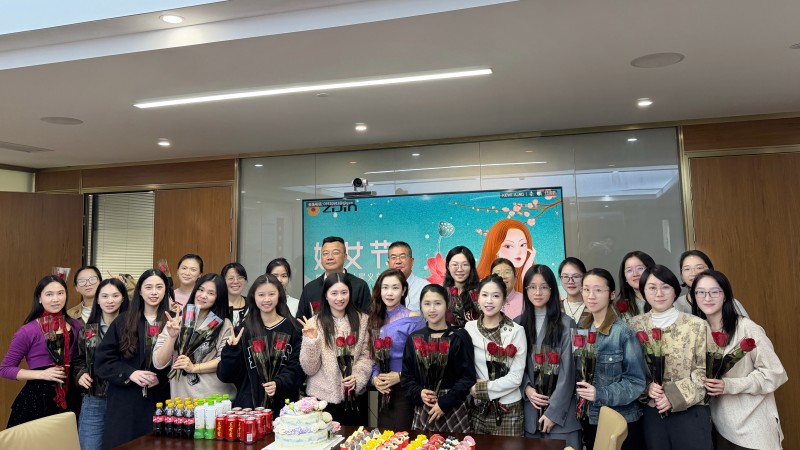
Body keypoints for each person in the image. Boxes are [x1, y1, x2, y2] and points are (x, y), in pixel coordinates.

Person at [692, 270, 786, 450]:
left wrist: (729, 385)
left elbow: (775, 373)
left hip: (754, 426)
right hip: (720, 427)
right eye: (700, 292)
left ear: (725, 295)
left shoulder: (746, 328)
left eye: (714, 291)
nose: (707, 297)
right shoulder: (697, 332)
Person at [629, 265, 712, 450]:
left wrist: (673, 397)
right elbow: (629, 369)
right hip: (652, 411)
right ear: (643, 291)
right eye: (652, 287)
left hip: (691, 411)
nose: (659, 293)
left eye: (665, 287)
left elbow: (705, 371)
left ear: (675, 291)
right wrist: (646, 387)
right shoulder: (633, 326)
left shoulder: (696, 325)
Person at [94, 269, 171, 449]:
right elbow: (103, 361)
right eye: (148, 287)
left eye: (159, 287)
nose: (154, 292)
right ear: (140, 291)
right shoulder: (123, 321)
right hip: (126, 402)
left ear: (166, 290)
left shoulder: (174, 321)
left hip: (161, 399)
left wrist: (162, 378)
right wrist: (131, 373)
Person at [575, 268, 646, 450]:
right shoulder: (581, 329)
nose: (591, 296)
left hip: (621, 420)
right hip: (590, 418)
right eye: (586, 289)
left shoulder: (623, 332)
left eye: (598, 290)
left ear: (612, 295)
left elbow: (636, 382)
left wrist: (600, 394)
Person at [1, 275, 81, 427]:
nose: (55, 299)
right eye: (49, 294)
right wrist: (42, 374)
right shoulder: (28, 331)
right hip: (38, 399)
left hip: (71, 395)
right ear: (39, 298)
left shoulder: (76, 326)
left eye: (60, 293)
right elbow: (5, 369)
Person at [217, 274, 303, 409]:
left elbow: (298, 367)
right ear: (253, 297)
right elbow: (226, 375)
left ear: (279, 295)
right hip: (249, 406)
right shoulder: (243, 330)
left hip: (285, 407)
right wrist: (231, 351)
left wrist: (279, 383)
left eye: (271, 294)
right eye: (261, 295)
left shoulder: (293, 329)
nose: (266, 299)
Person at [518, 265, 581, 448]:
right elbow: (515, 366)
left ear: (552, 289)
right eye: (532, 287)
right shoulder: (517, 324)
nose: (538, 292)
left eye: (544, 287)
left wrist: (554, 412)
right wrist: (527, 389)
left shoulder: (567, 323)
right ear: (525, 290)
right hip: (530, 415)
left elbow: (570, 373)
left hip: (562, 420)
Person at [298, 273, 372, 425]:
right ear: (325, 295)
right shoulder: (314, 323)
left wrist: (356, 377)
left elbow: (367, 356)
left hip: (355, 397)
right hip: (322, 400)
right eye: (334, 293)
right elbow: (309, 369)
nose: (340, 298)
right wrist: (312, 341)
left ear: (350, 293)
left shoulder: (363, 320)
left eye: (344, 292)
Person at [400, 284, 475, 433]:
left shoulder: (459, 336)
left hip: (453, 408)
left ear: (447, 305)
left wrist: (444, 403)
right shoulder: (414, 338)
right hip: (424, 409)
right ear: (421, 306)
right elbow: (407, 378)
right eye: (427, 304)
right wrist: (419, 392)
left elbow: (468, 377)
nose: (432, 309)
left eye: (438, 303)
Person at [153, 273, 236, 401]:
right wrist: (172, 337)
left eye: (211, 293)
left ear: (218, 297)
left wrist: (193, 368)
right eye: (200, 290)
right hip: (182, 401)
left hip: (214, 400)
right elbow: (159, 363)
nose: (203, 295)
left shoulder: (223, 324)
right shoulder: (176, 322)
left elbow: (223, 360)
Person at [465, 274, 527, 436]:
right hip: (479, 408)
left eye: (496, 296)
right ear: (478, 298)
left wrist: (479, 388)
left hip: (508, 408)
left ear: (504, 299)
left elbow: (516, 378)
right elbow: (465, 367)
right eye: (485, 295)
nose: (489, 301)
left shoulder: (516, 331)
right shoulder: (469, 328)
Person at [72, 278, 129, 450]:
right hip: (95, 398)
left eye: (115, 295)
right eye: (104, 296)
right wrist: (80, 374)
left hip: (124, 398)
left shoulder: (132, 328)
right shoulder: (87, 331)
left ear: (123, 298)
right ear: (97, 300)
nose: (110, 301)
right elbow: (78, 360)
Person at [367, 269, 425, 429]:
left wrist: (399, 376)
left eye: (395, 287)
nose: (389, 293)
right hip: (383, 389)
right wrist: (375, 378)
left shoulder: (414, 319)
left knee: (403, 437)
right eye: (385, 287)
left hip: (405, 389)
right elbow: (372, 356)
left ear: (403, 290)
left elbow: (421, 360)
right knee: (384, 438)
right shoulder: (374, 319)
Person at [296, 236, 371, 318]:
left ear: (345, 257)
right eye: (325, 253)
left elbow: (368, 319)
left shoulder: (360, 285)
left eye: (335, 253)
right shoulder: (310, 288)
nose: (330, 257)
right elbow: (301, 321)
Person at [675, 250, 748, 317]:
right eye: (687, 269)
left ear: (710, 270)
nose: (693, 273)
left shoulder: (730, 302)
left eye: (699, 268)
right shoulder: (676, 305)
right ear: (681, 274)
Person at [476, 219, 536, 293]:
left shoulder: (534, 278)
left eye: (522, 245)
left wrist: (526, 275)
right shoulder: (480, 284)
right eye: (508, 246)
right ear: (495, 249)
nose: (518, 252)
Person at [442, 246, 480, 328]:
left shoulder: (480, 293)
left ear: (471, 267)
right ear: (448, 267)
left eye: (465, 264)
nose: (459, 269)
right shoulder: (442, 294)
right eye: (455, 264)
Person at [387, 241, 430, 313]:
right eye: (393, 257)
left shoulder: (425, 287)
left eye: (403, 256)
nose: (398, 261)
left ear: (412, 261)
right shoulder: (383, 289)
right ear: (388, 263)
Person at [616, 251, 656, 317]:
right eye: (629, 270)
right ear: (625, 277)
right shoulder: (619, 307)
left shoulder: (663, 299)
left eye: (640, 268)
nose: (635, 274)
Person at [558, 257, 590, 325]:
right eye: (565, 277)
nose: (570, 281)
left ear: (585, 277)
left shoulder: (593, 305)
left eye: (576, 276)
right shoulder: (555, 307)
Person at [222, 262, 249, 328]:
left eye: (240, 278)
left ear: (245, 280)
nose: (236, 281)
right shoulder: (216, 305)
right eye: (231, 278)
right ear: (223, 281)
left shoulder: (252, 305)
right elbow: (206, 331)